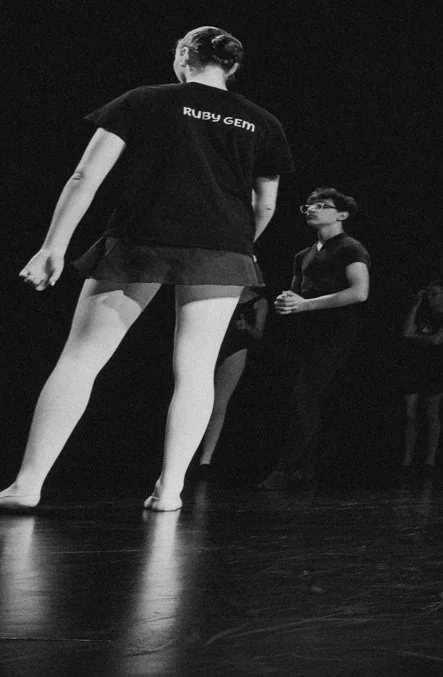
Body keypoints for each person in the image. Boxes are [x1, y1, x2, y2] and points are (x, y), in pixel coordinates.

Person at [1, 27, 291, 513]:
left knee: (81, 359)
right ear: (232, 66)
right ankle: (170, 491)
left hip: (142, 237)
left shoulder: (145, 100)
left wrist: (53, 246)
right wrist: (238, 247)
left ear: (184, 55)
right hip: (223, 250)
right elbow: (265, 205)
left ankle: (28, 485)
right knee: (196, 370)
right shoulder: (263, 122)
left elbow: (85, 175)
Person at [260, 187, 371, 489]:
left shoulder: (350, 248)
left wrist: (305, 305)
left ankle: (287, 468)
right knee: (300, 399)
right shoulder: (304, 254)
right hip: (305, 333)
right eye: (309, 206)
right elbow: (295, 293)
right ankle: (304, 467)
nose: (312, 209)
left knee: (305, 395)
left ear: (342, 215)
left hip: (335, 333)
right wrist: (286, 302)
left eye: (322, 205)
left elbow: (359, 292)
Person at [195, 285, 269, 478]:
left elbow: (259, 334)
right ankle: (189, 452)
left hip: (235, 350)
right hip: (212, 346)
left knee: (219, 404)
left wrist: (246, 327)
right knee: (196, 399)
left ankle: (205, 459)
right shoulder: (222, 292)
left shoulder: (259, 301)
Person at [400, 280, 443, 473]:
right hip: (414, 368)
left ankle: (430, 458)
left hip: (434, 371)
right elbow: (406, 332)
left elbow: (437, 340)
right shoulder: (423, 314)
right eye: (429, 294)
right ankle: (408, 457)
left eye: (435, 294)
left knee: (432, 414)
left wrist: (415, 338)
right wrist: (415, 307)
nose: (430, 298)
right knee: (410, 415)